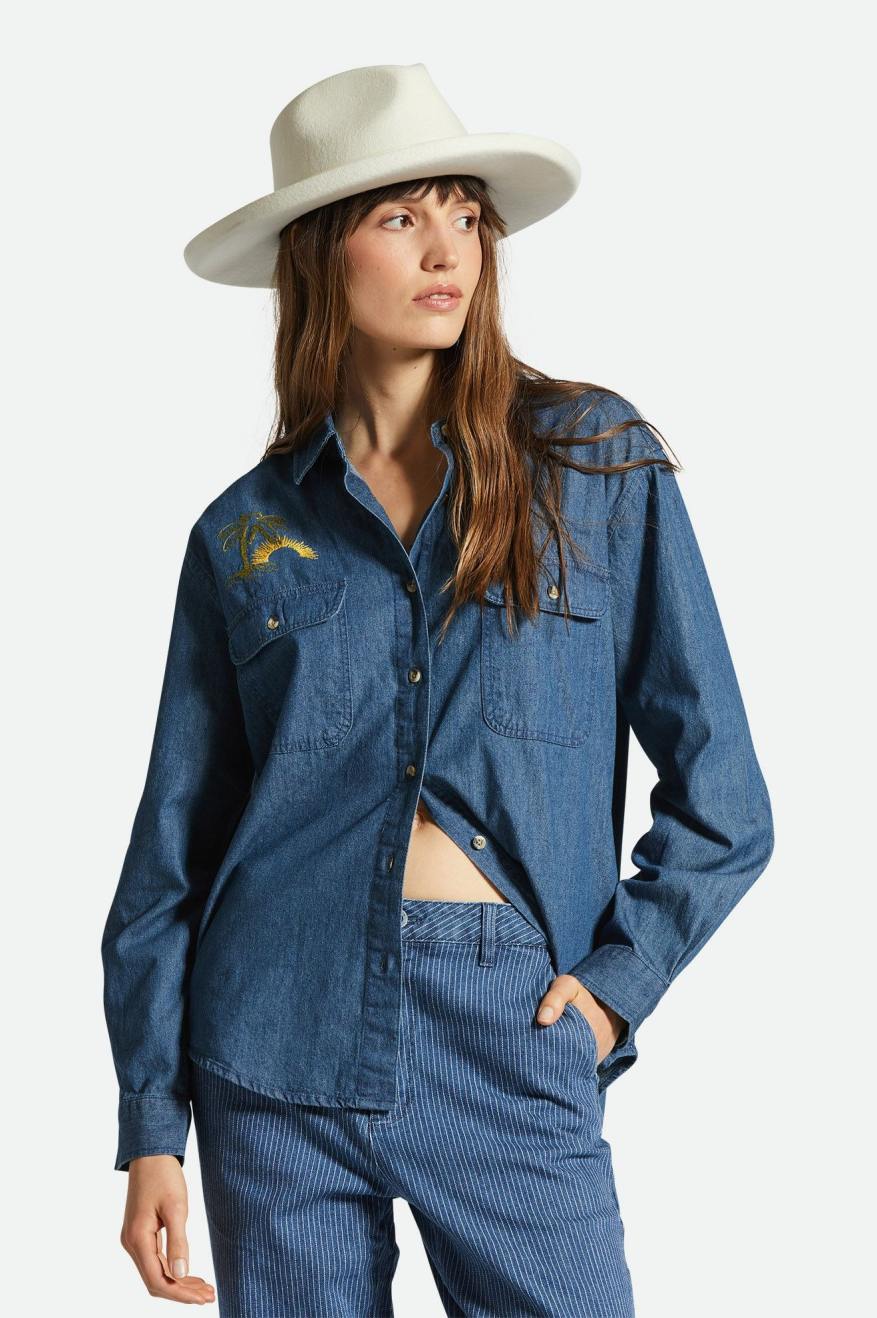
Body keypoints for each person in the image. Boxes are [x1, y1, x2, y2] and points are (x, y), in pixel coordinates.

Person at [101, 62, 775, 1316]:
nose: (446, 248)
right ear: (321, 254)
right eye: (400, 216)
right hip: (270, 1036)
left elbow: (725, 797)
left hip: (509, 1027)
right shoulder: (243, 534)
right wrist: (151, 1122)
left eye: (465, 214)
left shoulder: (593, 463)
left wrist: (613, 993)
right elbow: (175, 845)